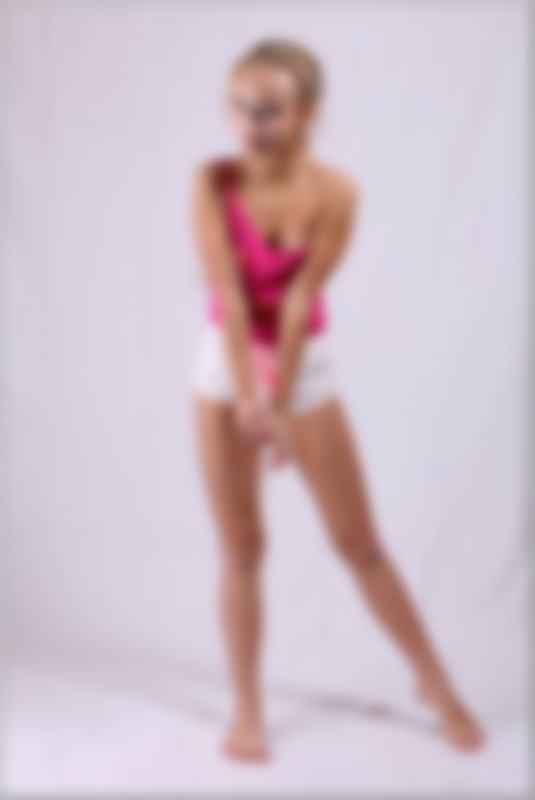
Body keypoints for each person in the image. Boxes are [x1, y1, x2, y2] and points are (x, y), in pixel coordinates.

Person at [190, 38, 484, 762]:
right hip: (226, 365)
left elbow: (297, 303)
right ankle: (247, 711)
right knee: (240, 549)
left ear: (306, 114)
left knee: (360, 542)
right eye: (238, 106)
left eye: (269, 109)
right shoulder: (211, 182)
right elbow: (230, 297)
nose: (249, 123)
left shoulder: (338, 192)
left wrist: (280, 402)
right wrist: (250, 399)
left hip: (304, 369)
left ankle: (434, 683)